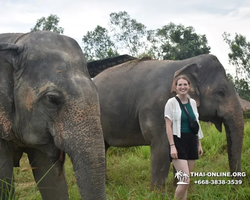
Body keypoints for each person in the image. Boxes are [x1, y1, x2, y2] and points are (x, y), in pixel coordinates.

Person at [164, 75, 203, 200]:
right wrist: (172, 146)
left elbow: (195, 124)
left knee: (185, 180)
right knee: (185, 179)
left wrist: (199, 144)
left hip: (191, 141)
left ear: (189, 86)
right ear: (175, 87)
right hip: (178, 141)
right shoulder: (171, 103)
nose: (182, 87)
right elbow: (168, 126)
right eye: (179, 85)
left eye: (185, 84)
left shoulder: (192, 102)